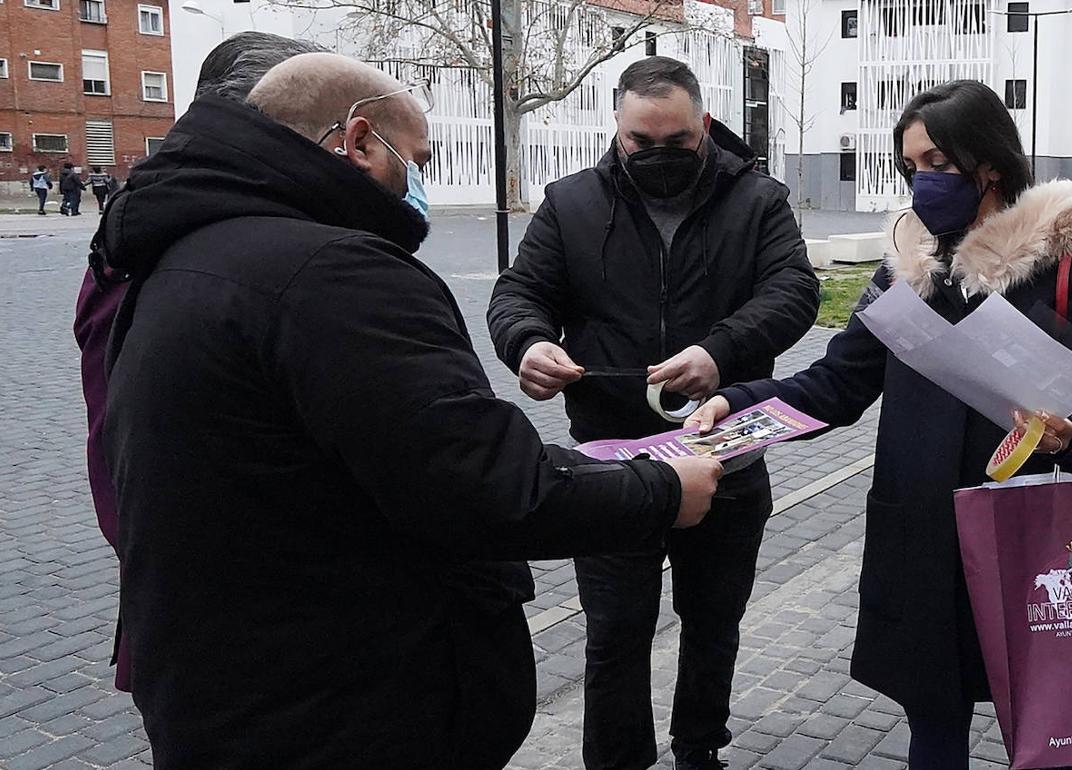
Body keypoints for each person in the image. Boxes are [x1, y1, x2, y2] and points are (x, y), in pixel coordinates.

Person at [98, 51, 722, 768]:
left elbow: (383, 453)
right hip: (347, 706)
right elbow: (479, 482)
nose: (419, 179)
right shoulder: (336, 272)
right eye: (417, 157)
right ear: (359, 142)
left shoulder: (183, 252)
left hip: (226, 688)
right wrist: (661, 489)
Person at [685, 79, 1072, 770]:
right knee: (933, 719)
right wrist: (739, 403)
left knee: (1054, 727)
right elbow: (836, 383)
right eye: (910, 167)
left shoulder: (1069, 266)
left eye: (936, 165)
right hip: (923, 534)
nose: (920, 183)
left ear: (989, 164)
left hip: (1032, 541)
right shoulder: (908, 273)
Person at [488, 56, 819, 770]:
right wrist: (530, 342)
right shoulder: (571, 203)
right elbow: (519, 294)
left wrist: (720, 352)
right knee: (614, 631)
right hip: (611, 465)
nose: (660, 156)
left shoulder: (758, 200)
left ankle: (699, 747)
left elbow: (794, 291)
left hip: (725, 450)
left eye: (679, 142)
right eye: (643, 143)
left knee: (713, 624)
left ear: (703, 125)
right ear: (617, 127)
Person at [73, 30, 329, 695]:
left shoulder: (160, 225)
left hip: (230, 604)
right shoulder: (190, 245)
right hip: (242, 618)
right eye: (322, 127)